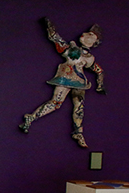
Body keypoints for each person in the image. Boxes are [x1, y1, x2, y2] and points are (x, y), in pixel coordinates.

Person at [19, 18, 105, 148]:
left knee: (79, 106)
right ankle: (31, 118)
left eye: (91, 35)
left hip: (79, 82)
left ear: (95, 42)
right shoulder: (71, 49)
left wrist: (100, 85)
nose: (86, 35)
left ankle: (78, 132)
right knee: (55, 103)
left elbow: (99, 70)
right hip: (66, 78)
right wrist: (50, 27)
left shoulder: (89, 58)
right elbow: (54, 38)